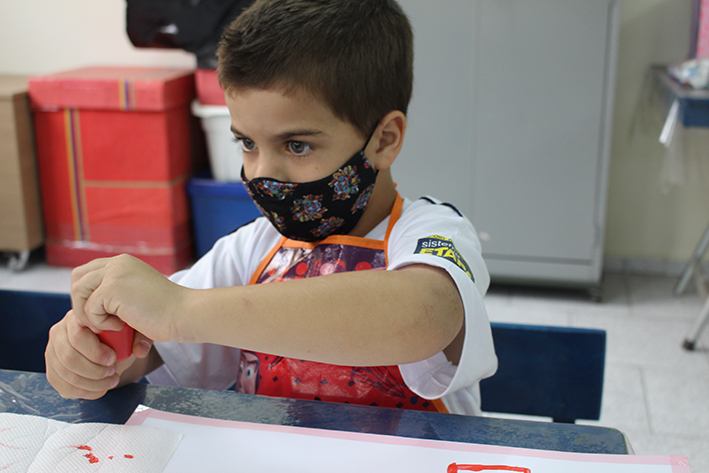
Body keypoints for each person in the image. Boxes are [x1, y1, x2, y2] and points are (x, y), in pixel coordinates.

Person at [45, 0, 497, 415]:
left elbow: (422, 316)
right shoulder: (250, 250)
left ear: (384, 140)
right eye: (247, 143)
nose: (263, 173)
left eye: (297, 145)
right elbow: (151, 351)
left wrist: (179, 309)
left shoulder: (431, 232)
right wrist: (95, 357)